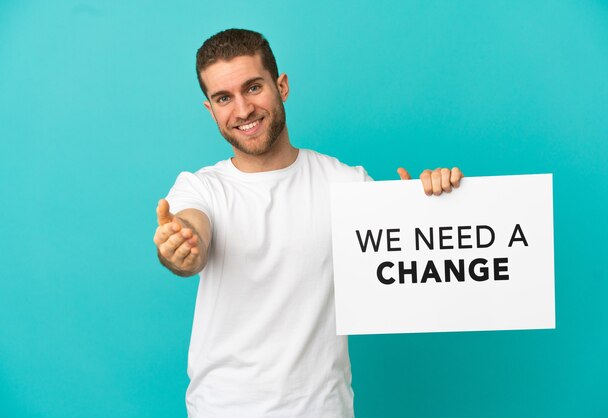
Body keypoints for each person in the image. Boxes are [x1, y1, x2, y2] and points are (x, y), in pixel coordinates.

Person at [153, 28, 463, 418]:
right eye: (223, 98)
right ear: (210, 109)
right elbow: (192, 236)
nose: (243, 109)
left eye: (252, 87)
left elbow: (415, 259)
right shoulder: (200, 189)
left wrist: (434, 203)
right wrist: (181, 245)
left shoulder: (346, 183)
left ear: (281, 86)